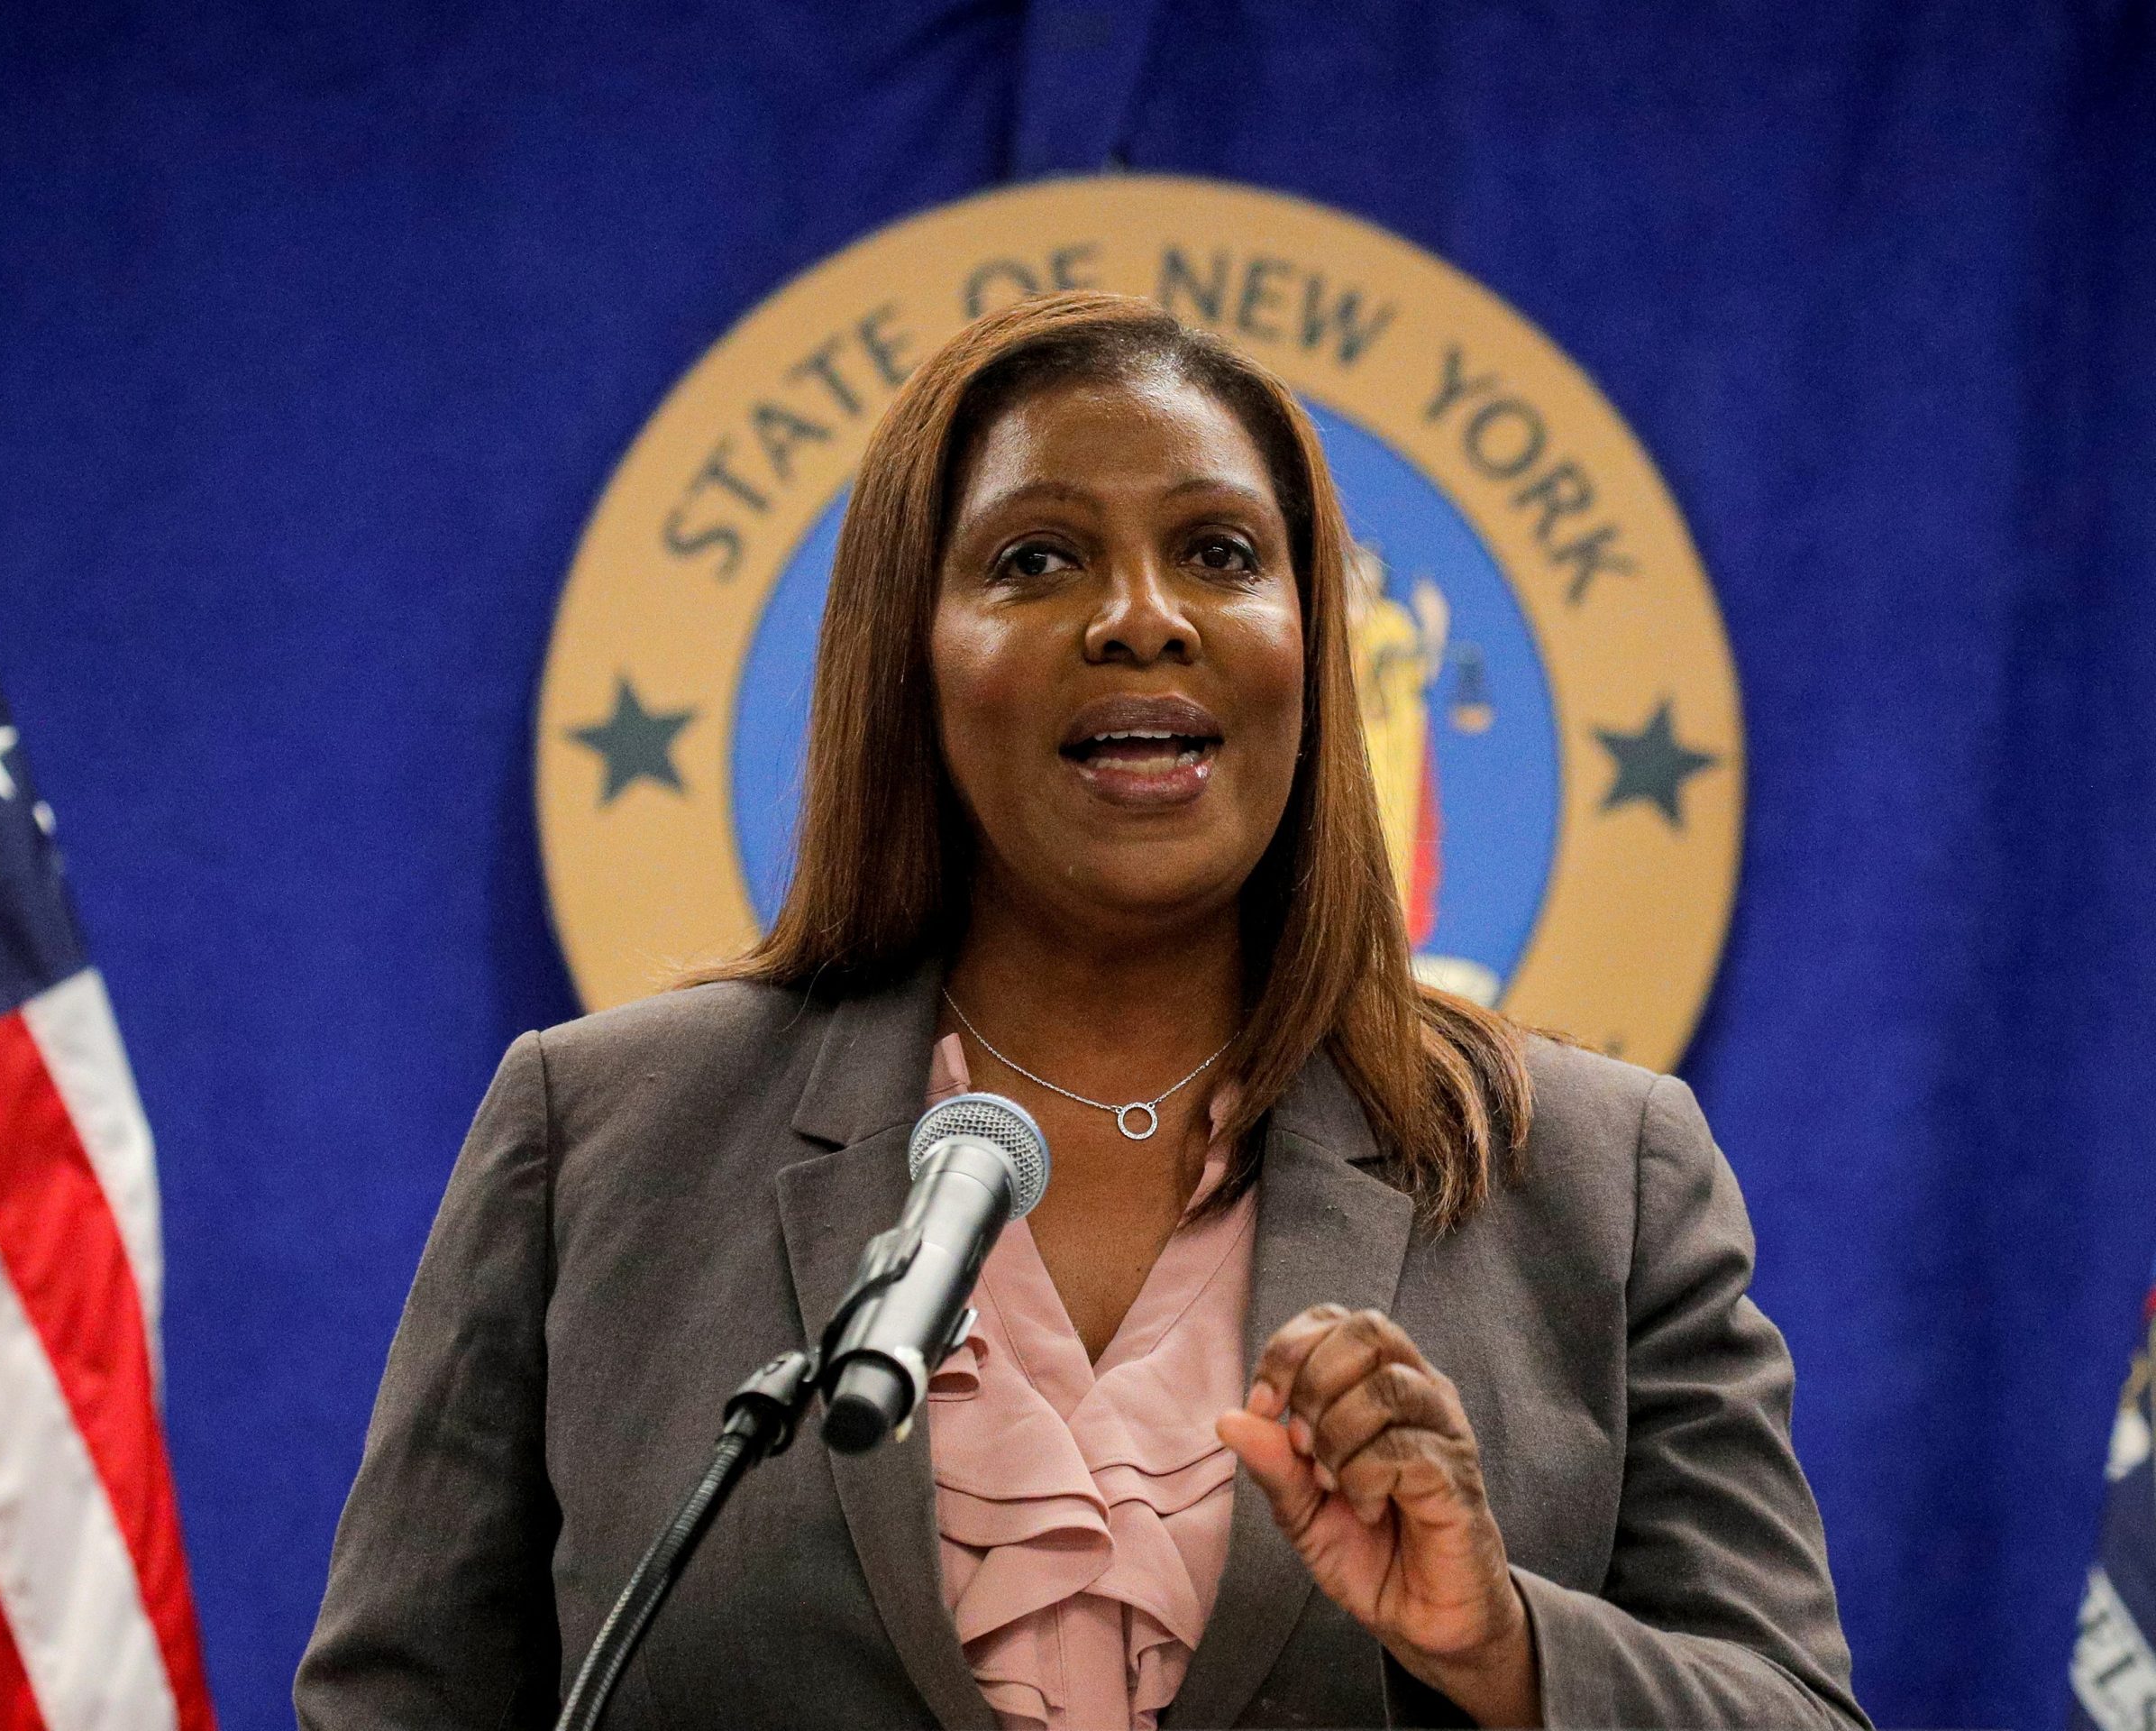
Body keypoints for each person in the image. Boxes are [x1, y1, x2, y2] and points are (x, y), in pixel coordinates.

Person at [296, 292, 1866, 1728]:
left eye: (1223, 555)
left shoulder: (1592, 1170)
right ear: (908, 657)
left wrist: (1501, 1647)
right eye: (1036, 560)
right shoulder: (600, 1136)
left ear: (1314, 650)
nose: (1142, 618)